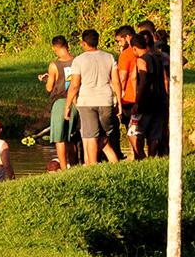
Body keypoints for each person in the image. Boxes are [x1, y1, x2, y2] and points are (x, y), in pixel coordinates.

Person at [64, 28, 120, 165]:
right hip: (106, 100)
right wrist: (119, 101)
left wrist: (68, 105)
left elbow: (75, 85)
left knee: (91, 136)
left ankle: (92, 166)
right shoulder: (109, 57)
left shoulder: (79, 60)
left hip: (86, 101)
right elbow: (116, 81)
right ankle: (102, 163)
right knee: (105, 134)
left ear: (84, 43)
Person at [40, 36, 78, 169]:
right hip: (75, 102)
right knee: (71, 137)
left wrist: (46, 79)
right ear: (68, 45)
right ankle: (74, 165)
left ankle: (63, 168)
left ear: (54, 49)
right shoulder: (77, 61)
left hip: (60, 102)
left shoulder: (54, 65)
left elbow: (50, 87)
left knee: (59, 138)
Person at [129, 32, 167, 158]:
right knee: (153, 136)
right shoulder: (157, 58)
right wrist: (165, 97)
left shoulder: (141, 60)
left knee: (133, 133)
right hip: (158, 102)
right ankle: (151, 160)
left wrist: (137, 102)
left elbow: (143, 80)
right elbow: (165, 79)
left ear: (134, 48)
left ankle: (142, 158)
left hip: (146, 103)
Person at [113, 25, 138, 159]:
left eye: (120, 41)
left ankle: (137, 155)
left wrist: (119, 95)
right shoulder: (143, 50)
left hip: (129, 97)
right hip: (143, 95)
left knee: (131, 129)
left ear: (127, 37)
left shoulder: (126, 54)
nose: (119, 44)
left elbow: (122, 77)